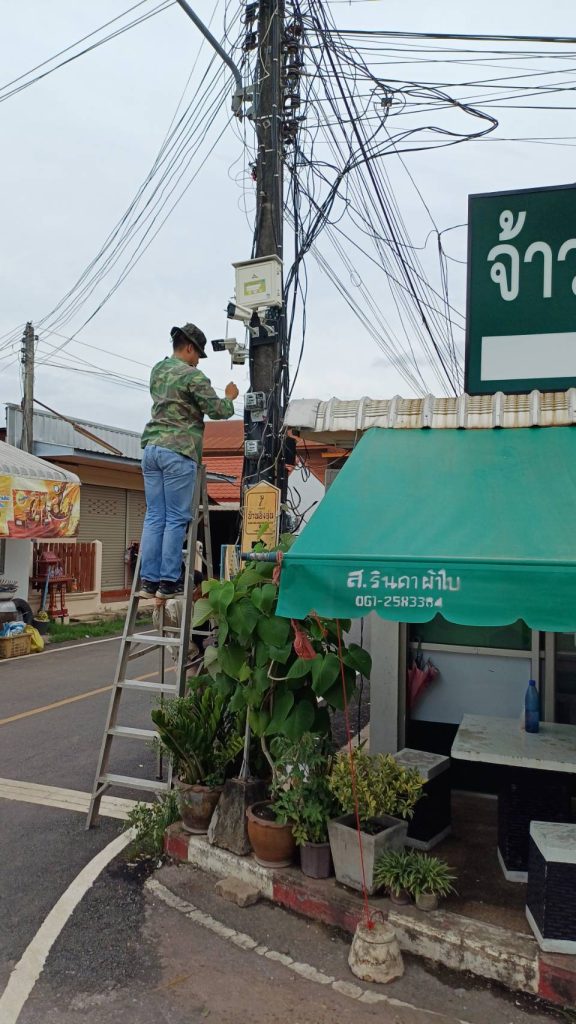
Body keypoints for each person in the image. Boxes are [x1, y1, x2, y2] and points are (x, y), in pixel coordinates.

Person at [139, 322, 239, 599]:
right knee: (176, 518)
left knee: (154, 516)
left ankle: (148, 582)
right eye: (198, 356)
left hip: (151, 449)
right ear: (189, 349)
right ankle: (168, 581)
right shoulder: (193, 376)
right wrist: (229, 397)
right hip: (178, 450)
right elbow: (218, 411)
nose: (197, 362)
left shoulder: (158, 369)